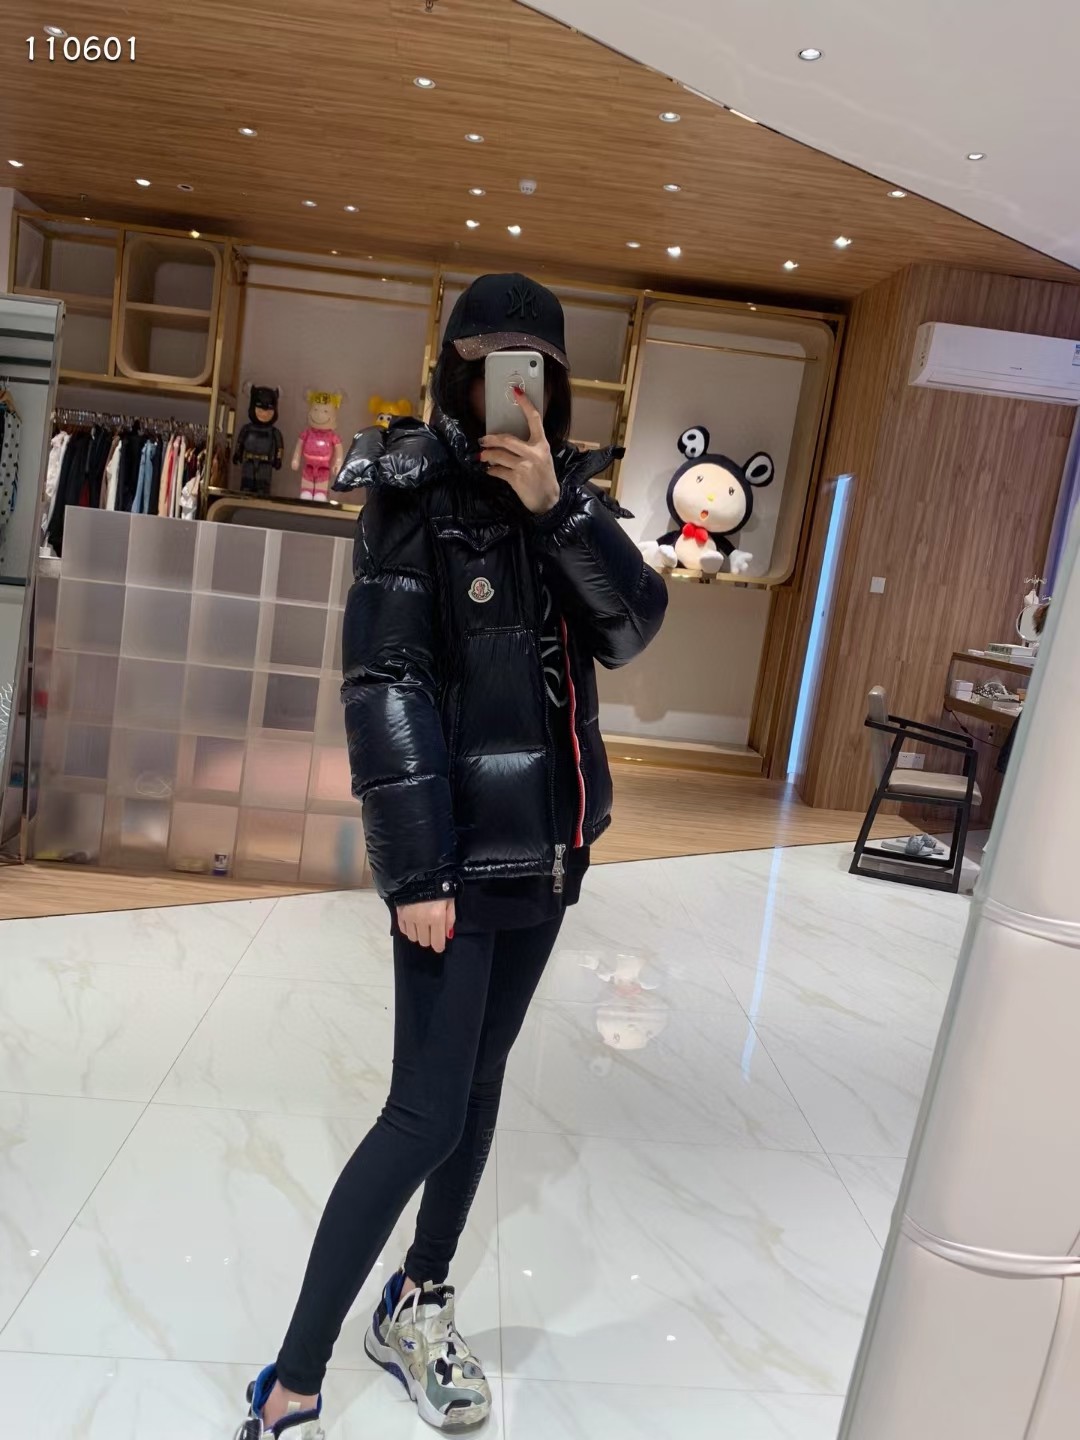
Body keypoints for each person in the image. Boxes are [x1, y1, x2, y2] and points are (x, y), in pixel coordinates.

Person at [235, 274, 667, 1438]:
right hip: (458, 860)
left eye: (528, 369)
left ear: (554, 385)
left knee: (478, 1089)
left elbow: (632, 628)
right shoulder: (410, 492)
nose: (502, 392)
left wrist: (556, 512)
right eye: (485, 368)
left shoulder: (569, 496)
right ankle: (294, 1377)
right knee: (422, 1113)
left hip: (551, 853)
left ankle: (417, 1302)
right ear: (456, 373)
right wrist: (417, 871)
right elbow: (385, 685)